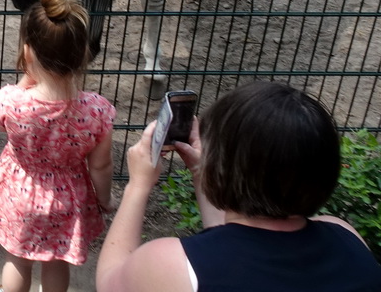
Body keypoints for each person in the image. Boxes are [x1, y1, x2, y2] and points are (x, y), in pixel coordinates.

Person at [97, 81, 381, 292]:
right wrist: (201, 172)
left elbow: (110, 282)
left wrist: (138, 186)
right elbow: (233, 243)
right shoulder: (347, 238)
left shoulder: (172, 264)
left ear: (221, 167)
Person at [0, 0, 115, 292]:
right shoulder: (98, 111)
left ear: (27, 51)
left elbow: (0, 123)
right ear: (82, 55)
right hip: (68, 201)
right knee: (56, 262)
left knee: (18, 259)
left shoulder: (11, 102)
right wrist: (104, 199)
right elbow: (101, 166)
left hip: (19, 195)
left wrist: (27, 76)